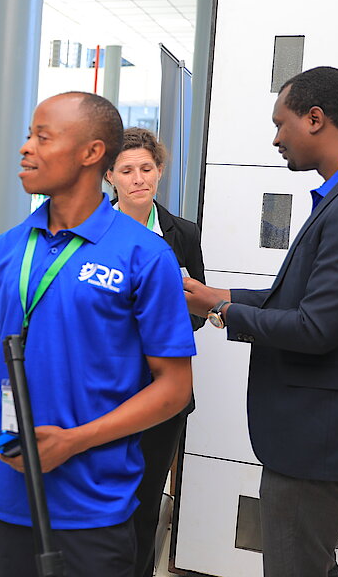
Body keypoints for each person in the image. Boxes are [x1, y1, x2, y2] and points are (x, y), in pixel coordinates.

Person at [0, 91, 196, 577]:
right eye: (29, 136)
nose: (26, 148)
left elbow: (174, 388)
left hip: (95, 504)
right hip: (8, 497)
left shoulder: (145, 255)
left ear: (91, 152)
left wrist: (74, 441)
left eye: (43, 138)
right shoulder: (7, 249)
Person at [184, 66, 338, 577]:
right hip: (329, 430)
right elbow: (300, 299)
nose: (276, 139)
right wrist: (216, 294)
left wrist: (222, 312)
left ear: (315, 118)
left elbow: (315, 329)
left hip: (327, 436)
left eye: (281, 124)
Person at [105, 127, 205, 577]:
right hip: (103, 389)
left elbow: (200, 312)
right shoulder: (88, 231)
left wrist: (161, 315)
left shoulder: (182, 234)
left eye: (146, 168)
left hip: (162, 393)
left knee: (145, 502)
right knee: (102, 498)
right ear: (110, 176)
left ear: (160, 171)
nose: (138, 178)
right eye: (126, 170)